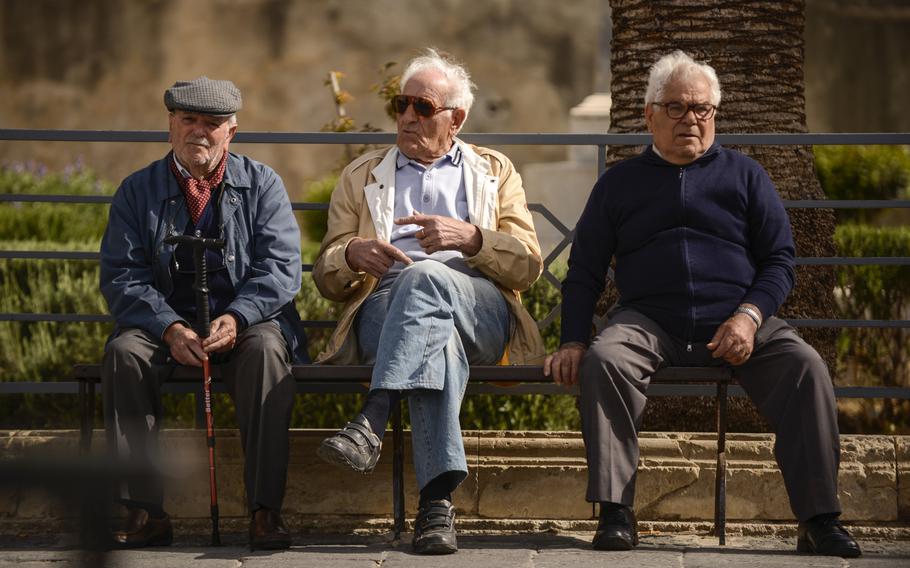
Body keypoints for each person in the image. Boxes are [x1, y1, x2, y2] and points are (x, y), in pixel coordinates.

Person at [544, 51, 861, 558]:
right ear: (648, 114)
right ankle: (615, 512)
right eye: (676, 107)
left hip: (740, 320)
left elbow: (779, 260)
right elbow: (582, 272)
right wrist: (574, 340)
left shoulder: (746, 175)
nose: (691, 118)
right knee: (606, 360)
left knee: (806, 367)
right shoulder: (618, 184)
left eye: (703, 109)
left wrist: (750, 316)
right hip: (648, 321)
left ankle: (820, 519)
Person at [313, 48, 544, 555]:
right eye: (402, 105)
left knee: (426, 279)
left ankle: (373, 414)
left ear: (455, 118)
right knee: (434, 342)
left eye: (422, 107)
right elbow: (327, 276)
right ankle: (436, 507)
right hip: (384, 310)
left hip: (480, 308)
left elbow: (528, 264)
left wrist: (473, 239)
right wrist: (351, 254)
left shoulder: (494, 171)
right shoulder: (362, 175)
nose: (407, 117)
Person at [100, 77, 307, 550]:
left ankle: (264, 511)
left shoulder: (262, 184)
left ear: (230, 132)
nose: (199, 132)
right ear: (170, 126)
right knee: (124, 353)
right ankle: (143, 513)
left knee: (268, 354)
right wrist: (169, 327)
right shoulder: (137, 191)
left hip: (245, 323)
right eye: (188, 120)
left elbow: (280, 269)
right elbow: (122, 276)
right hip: (164, 325)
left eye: (211, 124)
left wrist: (237, 317)